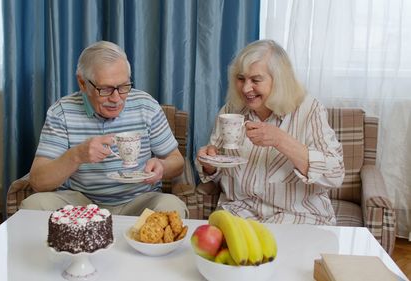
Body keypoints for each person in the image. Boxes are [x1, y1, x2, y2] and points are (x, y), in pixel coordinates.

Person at [21, 41, 188, 218]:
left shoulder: (146, 105)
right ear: (83, 83)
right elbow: (38, 181)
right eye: (106, 89)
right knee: (33, 205)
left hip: (139, 201)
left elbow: (176, 161)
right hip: (81, 204)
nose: (116, 98)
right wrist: (76, 155)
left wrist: (162, 166)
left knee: (172, 207)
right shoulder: (61, 112)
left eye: (124, 86)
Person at [197, 39, 344, 225]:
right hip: (240, 212)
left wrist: (281, 140)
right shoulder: (231, 111)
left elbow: (335, 174)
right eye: (241, 78)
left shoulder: (310, 110)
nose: (245, 88)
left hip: (298, 215)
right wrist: (210, 164)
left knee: (283, 251)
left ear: (280, 81)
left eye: (255, 80)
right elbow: (218, 169)